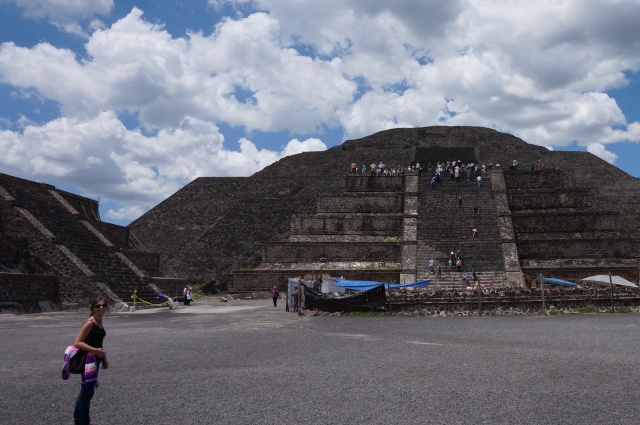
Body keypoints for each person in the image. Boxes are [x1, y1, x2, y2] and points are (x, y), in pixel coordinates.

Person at [72, 298, 109, 425]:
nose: (101, 308)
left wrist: (103, 358)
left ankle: (78, 419)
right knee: (87, 392)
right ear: (92, 308)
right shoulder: (90, 322)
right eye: (98, 306)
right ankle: (83, 421)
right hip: (87, 361)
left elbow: (99, 342)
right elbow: (77, 342)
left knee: (87, 391)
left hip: (95, 360)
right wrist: (96, 351)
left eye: (103, 306)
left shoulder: (99, 321)